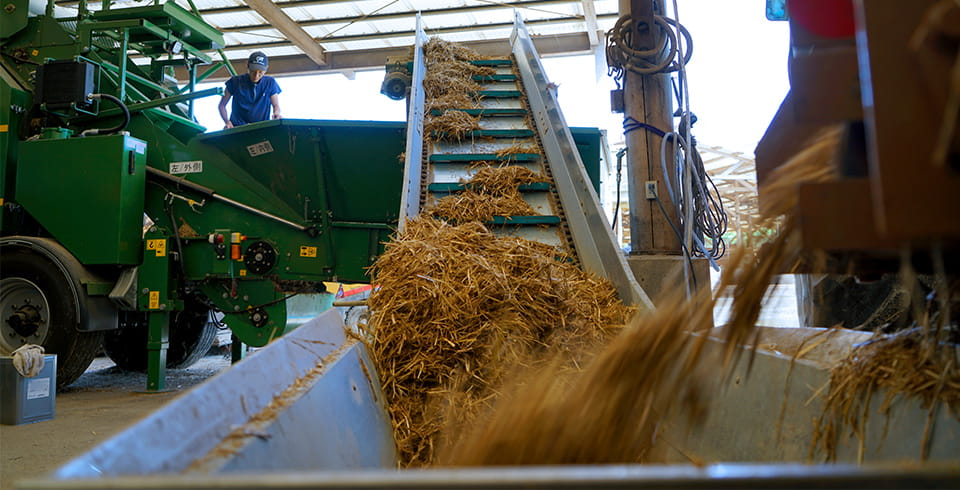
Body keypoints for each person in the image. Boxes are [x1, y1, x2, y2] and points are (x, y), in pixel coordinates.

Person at [218, 51, 282, 128]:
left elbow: (275, 105)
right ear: (247, 65)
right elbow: (222, 105)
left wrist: (276, 113)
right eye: (253, 71)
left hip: (262, 128)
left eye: (260, 72)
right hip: (237, 128)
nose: (256, 75)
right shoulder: (235, 81)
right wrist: (227, 122)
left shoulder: (270, 83)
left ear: (266, 69)